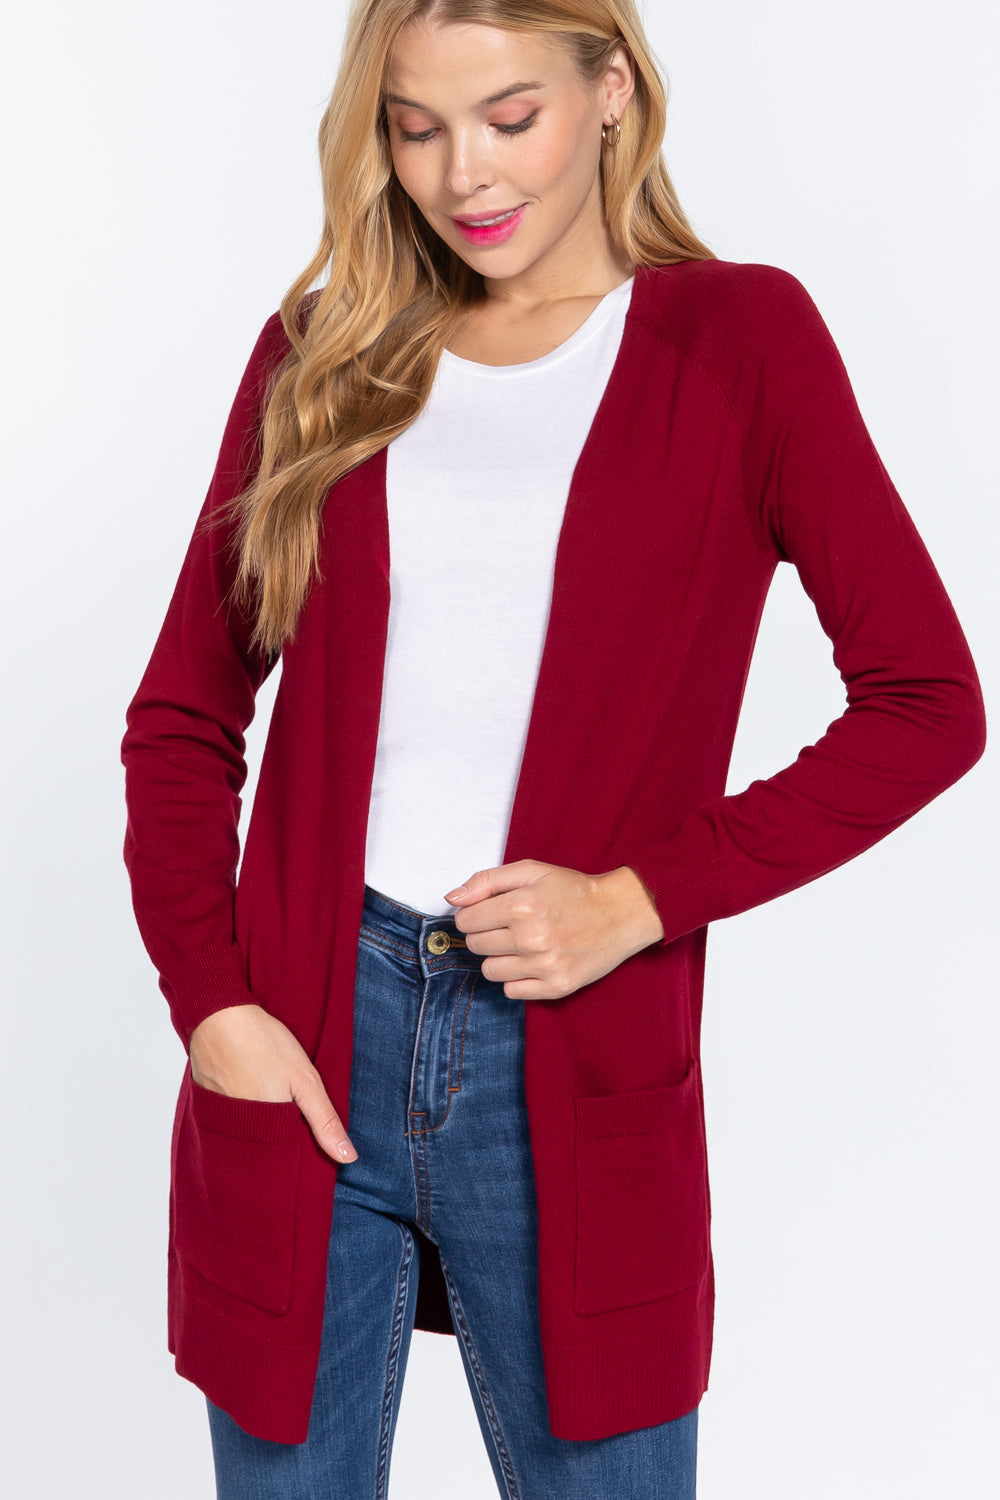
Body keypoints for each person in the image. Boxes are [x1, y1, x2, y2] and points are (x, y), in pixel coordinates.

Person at [119, 2, 987, 1496]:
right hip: (309, 1035)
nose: (463, 172)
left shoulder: (739, 342)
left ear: (612, 86)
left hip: (573, 1051)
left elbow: (926, 701)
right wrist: (215, 1007)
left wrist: (642, 897)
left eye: (509, 117)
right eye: (415, 128)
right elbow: (183, 719)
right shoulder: (323, 356)